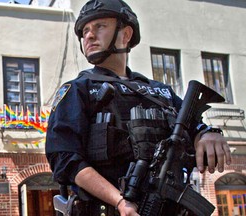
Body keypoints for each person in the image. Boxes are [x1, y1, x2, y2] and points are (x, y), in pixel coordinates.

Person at [46, 0, 232, 215]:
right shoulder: (78, 90)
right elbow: (65, 158)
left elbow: (193, 126)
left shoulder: (160, 92)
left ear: (125, 34)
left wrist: (207, 134)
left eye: (100, 26)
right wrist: (119, 201)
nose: (88, 35)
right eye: (85, 30)